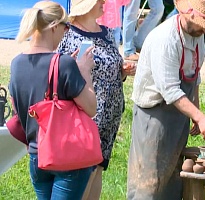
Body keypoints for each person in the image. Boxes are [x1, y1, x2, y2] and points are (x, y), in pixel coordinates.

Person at [127, 0, 205, 199]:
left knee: (173, 179)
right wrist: (200, 117)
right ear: (189, 16)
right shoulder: (165, 39)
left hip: (179, 113)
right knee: (149, 182)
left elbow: (194, 75)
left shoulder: (196, 35)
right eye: (204, 25)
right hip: (154, 114)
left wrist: (195, 109)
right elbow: (170, 90)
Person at [9, 1, 97, 199]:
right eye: (66, 26)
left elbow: (19, 109)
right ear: (54, 26)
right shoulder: (64, 63)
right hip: (67, 157)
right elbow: (91, 108)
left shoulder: (16, 64)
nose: (66, 31)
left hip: (36, 155)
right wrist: (84, 73)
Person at [57, 0, 136, 199]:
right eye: (99, 0)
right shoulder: (67, 35)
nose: (103, 3)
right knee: (85, 172)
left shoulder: (107, 33)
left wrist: (123, 71)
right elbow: (59, 75)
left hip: (110, 118)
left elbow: (112, 68)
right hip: (85, 117)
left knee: (98, 168)